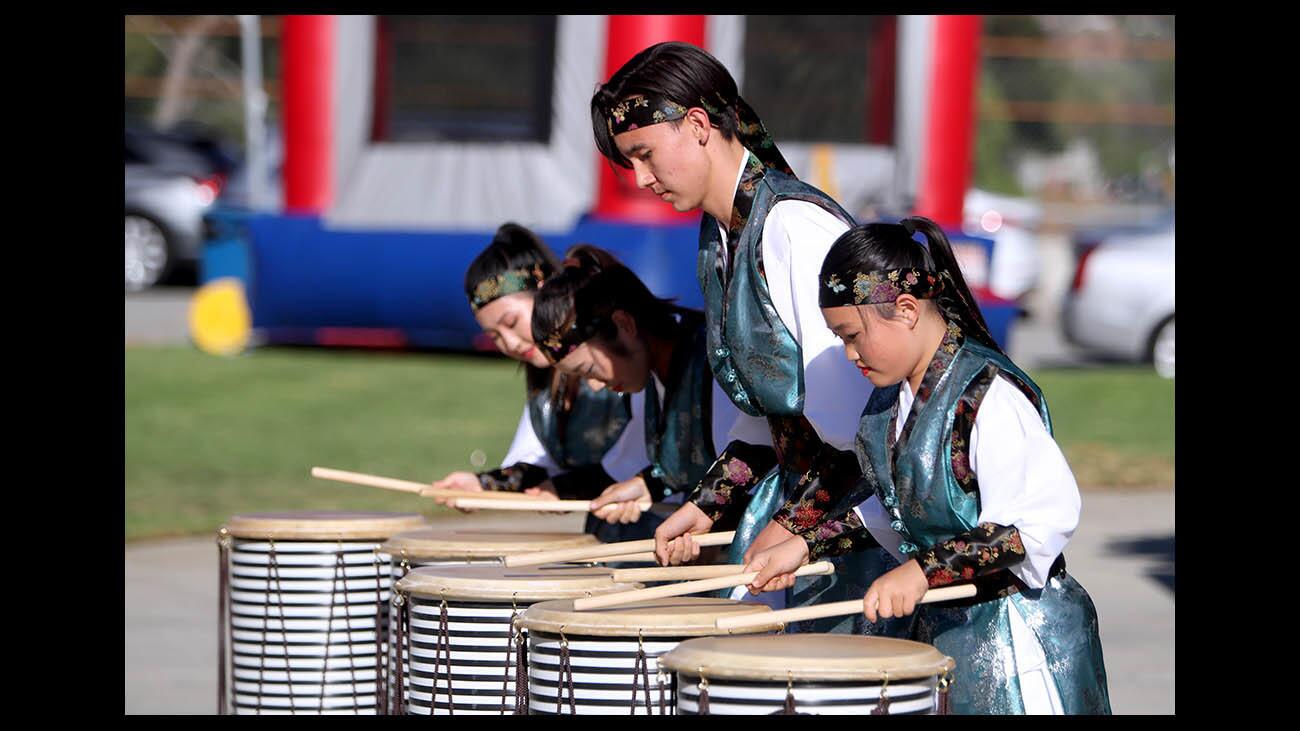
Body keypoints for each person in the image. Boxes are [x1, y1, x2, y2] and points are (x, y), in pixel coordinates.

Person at [590, 41, 905, 632]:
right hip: (798, 513)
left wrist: (802, 525)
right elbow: (769, 411)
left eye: (645, 154)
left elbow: (867, 418)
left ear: (699, 125)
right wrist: (706, 505)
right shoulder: (721, 232)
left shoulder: (793, 227)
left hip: (860, 525)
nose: (640, 179)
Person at [744, 216, 1111, 714]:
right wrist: (805, 545)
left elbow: (1032, 526)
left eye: (853, 336)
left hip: (1017, 637)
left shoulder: (986, 394)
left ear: (907, 309)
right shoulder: (887, 404)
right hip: (952, 636)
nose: (850, 355)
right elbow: (896, 508)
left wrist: (922, 570)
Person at [429, 223, 650, 534]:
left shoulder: (619, 357)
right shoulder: (546, 380)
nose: (511, 344)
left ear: (547, 290)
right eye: (494, 336)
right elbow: (537, 465)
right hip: (609, 536)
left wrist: (565, 488)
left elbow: (640, 463)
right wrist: (483, 485)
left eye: (511, 322)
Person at [530, 244, 751, 549]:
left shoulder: (713, 361)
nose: (594, 386)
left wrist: (702, 513)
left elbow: (756, 455)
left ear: (624, 324)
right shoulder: (654, 370)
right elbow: (689, 466)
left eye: (591, 369)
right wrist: (647, 486)